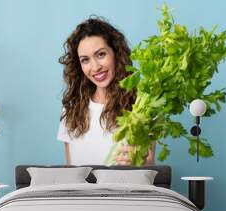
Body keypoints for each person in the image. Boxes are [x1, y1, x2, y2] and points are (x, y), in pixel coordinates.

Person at [57, 17, 154, 166]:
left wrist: (140, 162)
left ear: (116, 53)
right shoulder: (71, 110)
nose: (95, 67)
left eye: (101, 54)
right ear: (79, 66)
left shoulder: (141, 106)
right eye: (85, 60)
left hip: (127, 189)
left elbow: (148, 167)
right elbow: (71, 174)